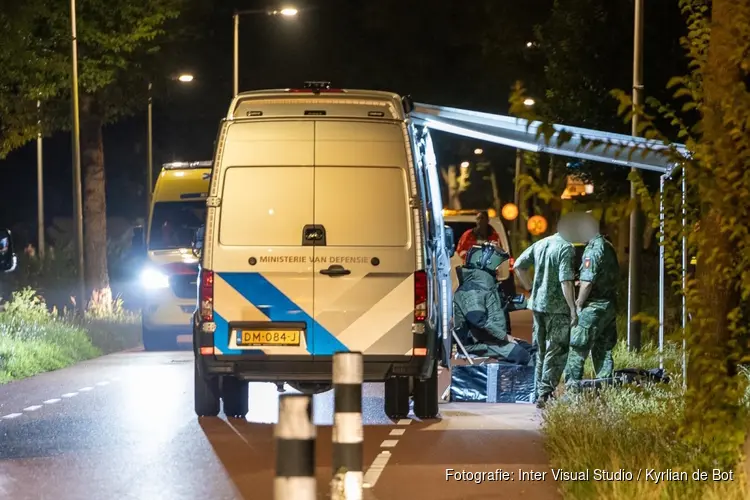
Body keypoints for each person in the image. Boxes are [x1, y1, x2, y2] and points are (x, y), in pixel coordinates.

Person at [513, 217, 577, 407]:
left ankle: (536, 389)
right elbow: (566, 281)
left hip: (537, 304)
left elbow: (518, 265)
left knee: (540, 348)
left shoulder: (542, 243)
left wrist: (529, 287)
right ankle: (545, 392)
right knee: (557, 348)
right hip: (556, 307)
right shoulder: (566, 248)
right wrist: (573, 308)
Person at [453, 242, 535, 365]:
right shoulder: (471, 290)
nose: (497, 271)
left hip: (491, 340)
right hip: (476, 343)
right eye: (496, 267)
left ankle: (528, 383)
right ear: (485, 263)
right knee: (521, 355)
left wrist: (532, 303)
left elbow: (503, 304)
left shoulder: (486, 287)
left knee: (532, 351)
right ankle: (520, 384)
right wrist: (506, 337)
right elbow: (479, 320)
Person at [565, 215, 620, 386]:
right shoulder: (607, 246)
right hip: (608, 305)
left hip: (594, 307)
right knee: (602, 349)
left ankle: (573, 390)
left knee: (577, 347)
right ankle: (605, 387)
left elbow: (588, 282)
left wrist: (578, 304)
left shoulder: (593, 249)